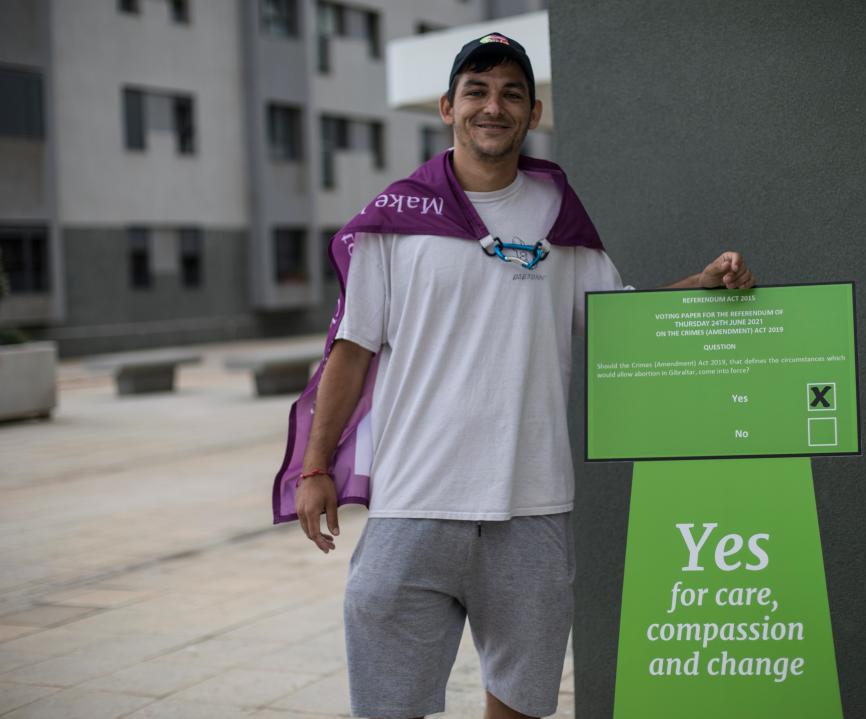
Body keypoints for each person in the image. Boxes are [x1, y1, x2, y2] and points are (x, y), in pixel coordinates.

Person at [285, 33, 755, 719]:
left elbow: (620, 325)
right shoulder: (395, 220)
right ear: (448, 106)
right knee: (388, 703)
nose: (492, 106)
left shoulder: (558, 221)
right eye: (476, 91)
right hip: (412, 500)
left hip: (530, 506)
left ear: (532, 114)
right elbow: (351, 351)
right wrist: (313, 466)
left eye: (510, 93)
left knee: (520, 704)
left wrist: (703, 286)